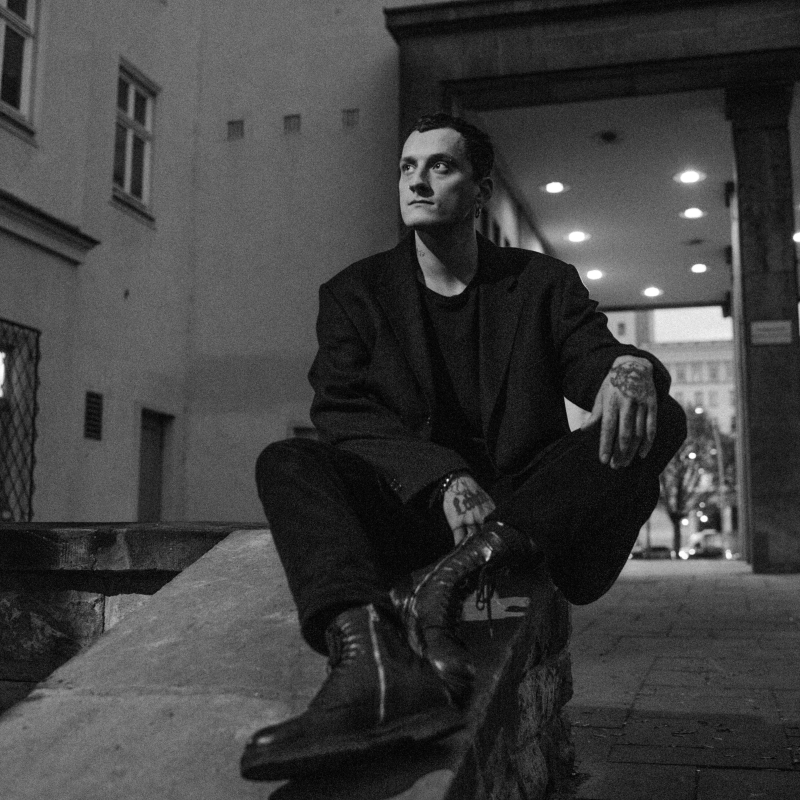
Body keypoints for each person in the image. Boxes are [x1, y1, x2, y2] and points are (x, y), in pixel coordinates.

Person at [240, 113, 686, 781]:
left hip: (527, 517)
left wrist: (629, 368)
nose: (417, 181)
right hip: (417, 510)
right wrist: (444, 478)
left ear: (480, 190)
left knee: (661, 416)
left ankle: (451, 579)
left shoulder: (541, 284)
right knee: (287, 461)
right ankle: (368, 656)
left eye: (440, 166)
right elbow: (342, 412)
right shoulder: (356, 295)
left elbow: (591, 359)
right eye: (407, 167)